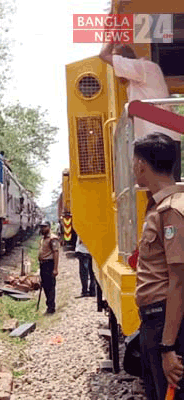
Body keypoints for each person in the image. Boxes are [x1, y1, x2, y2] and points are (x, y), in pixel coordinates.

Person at [132, 132, 184, 400]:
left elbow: (179, 280)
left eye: (134, 162)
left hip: (166, 321)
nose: (133, 168)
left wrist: (168, 346)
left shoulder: (172, 210)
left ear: (141, 164)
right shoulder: (158, 207)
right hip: (154, 319)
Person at [99, 42, 181, 181]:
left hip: (157, 139)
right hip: (162, 137)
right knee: (160, 189)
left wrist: (111, 36)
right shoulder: (141, 77)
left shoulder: (142, 68)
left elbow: (103, 55)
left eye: (116, 64)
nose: (115, 69)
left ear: (125, 60)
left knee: (162, 187)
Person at [38, 221, 60, 314]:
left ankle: (51, 308)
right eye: (42, 227)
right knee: (45, 286)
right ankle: (49, 306)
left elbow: (56, 253)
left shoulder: (53, 239)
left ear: (49, 227)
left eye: (45, 227)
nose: (43, 229)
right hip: (43, 265)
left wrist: (55, 268)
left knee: (50, 286)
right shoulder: (43, 239)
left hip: (49, 265)